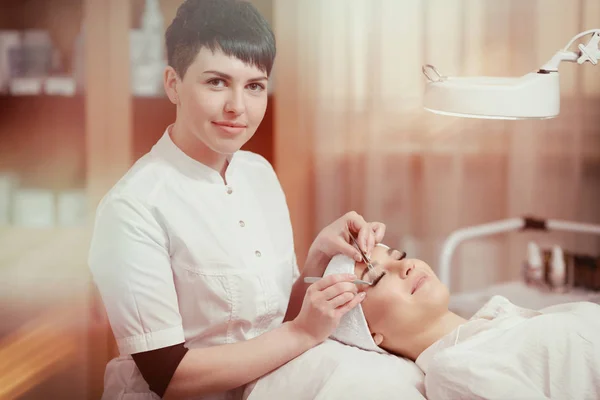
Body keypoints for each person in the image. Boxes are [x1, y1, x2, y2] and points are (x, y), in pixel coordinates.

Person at [88, 1, 386, 399]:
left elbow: (270, 320)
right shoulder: (132, 208)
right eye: (216, 82)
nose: (237, 107)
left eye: (254, 86)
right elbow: (169, 376)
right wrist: (303, 332)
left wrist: (317, 258)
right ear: (173, 83)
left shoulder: (257, 172)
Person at [323, 244, 600, 399]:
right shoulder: (452, 370)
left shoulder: (496, 317)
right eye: (377, 277)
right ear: (371, 333)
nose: (406, 265)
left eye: (399, 255)